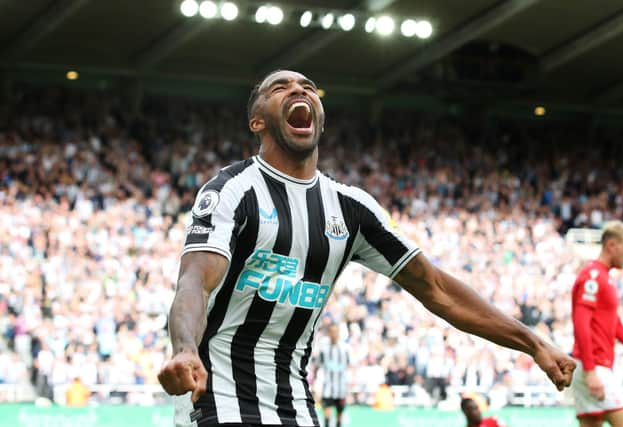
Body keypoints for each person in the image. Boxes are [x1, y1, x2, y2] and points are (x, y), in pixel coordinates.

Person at [157, 69, 575, 427]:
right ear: (257, 122)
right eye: (280, 87)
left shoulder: (351, 208)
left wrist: (533, 342)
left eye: (307, 86)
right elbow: (195, 281)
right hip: (217, 395)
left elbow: (438, 290)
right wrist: (184, 350)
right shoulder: (232, 190)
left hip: (296, 405)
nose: (299, 90)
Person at [571, 221, 623, 427]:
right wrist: (591, 371)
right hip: (594, 367)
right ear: (611, 245)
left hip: (591, 366)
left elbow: (615, 325)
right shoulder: (593, 276)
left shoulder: (604, 277)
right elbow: (581, 323)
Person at [315, 324, 349, 427]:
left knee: (339, 415)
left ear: (339, 333)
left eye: (336, 331)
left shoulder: (344, 348)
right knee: (327, 415)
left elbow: (348, 364)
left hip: (341, 388)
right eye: (332, 332)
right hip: (328, 388)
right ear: (329, 333)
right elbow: (318, 365)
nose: (334, 334)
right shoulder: (324, 349)